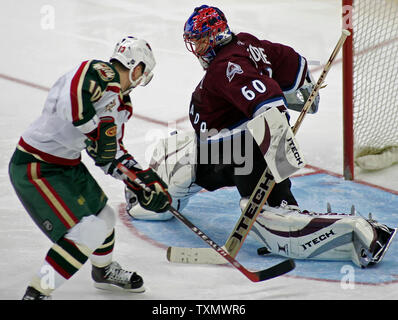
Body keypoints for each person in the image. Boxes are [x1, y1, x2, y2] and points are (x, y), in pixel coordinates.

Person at [126, 5, 397, 268]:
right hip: (229, 146)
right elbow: (290, 61)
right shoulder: (246, 43)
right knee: (179, 155)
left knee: (273, 221)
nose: (196, 49)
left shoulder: (226, 67)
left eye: (199, 41)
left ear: (215, 36)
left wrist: (278, 157)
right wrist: (303, 88)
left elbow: (266, 100)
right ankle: (151, 189)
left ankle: (356, 234)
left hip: (240, 152)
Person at [9, 36, 171, 300]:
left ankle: (103, 272)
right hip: (35, 165)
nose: (141, 81)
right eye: (144, 73)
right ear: (137, 68)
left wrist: (142, 181)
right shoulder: (97, 73)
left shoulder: (120, 103)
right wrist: (93, 129)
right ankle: (37, 293)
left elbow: (109, 154)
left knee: (104, 217)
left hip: (66, 166)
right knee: (86, 232)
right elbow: (74, 100)